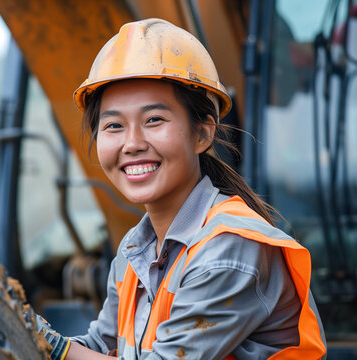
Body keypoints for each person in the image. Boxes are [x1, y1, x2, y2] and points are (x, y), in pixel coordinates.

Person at [34, 18, 327, 360]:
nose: (132, 143)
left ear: (203, 134)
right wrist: (27, 338)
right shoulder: (134, 251)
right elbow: (103, 347)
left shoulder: (229, 248)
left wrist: (50, 347)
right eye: (113, 125)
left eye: (154, 120)